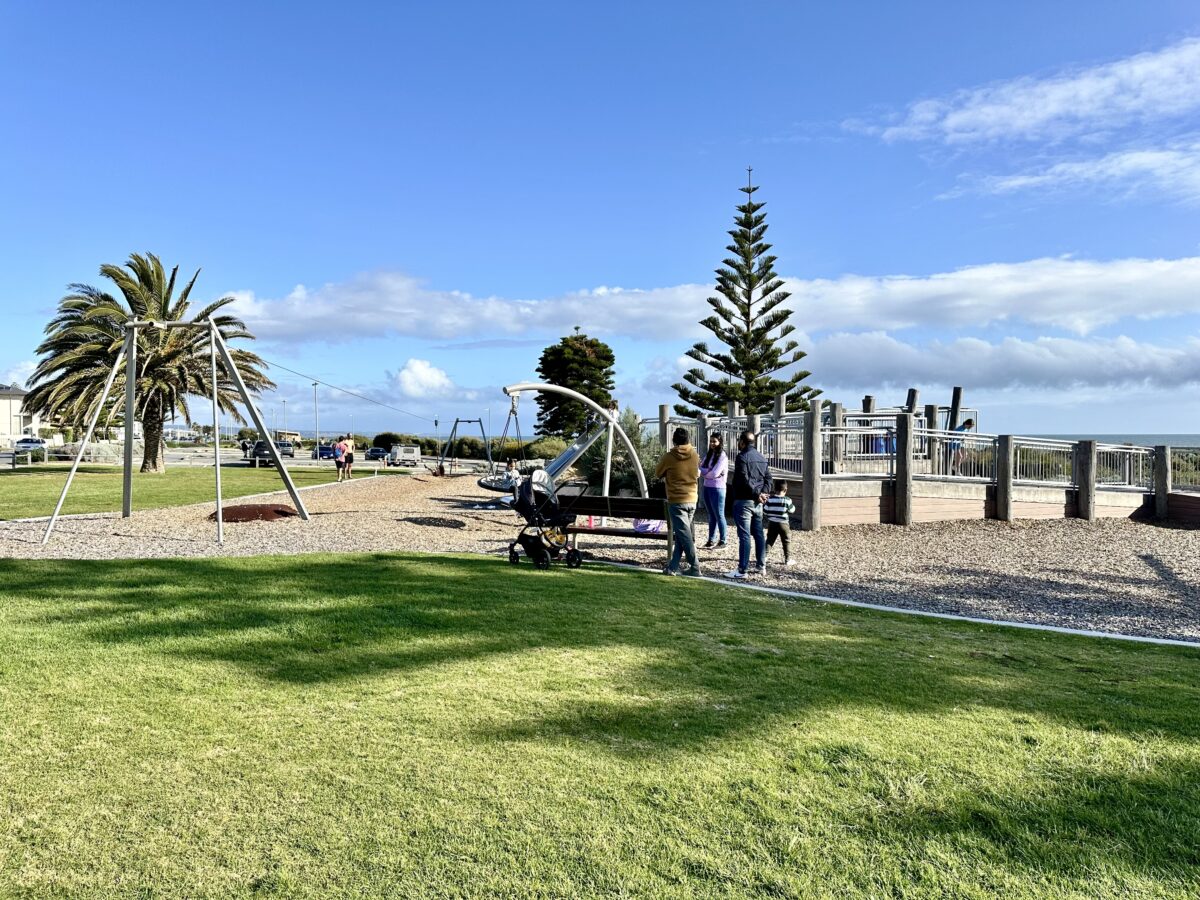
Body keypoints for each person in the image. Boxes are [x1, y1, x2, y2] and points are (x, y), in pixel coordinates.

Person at [654, 427, 701, 577]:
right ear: (688, 440)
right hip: (692, 499)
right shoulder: (695, 455)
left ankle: (695, 567)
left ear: (674, 440)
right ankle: (673, 567)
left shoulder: (669, 457)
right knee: (683, 534)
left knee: (683, 535)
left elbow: (657, 473)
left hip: (676, 500)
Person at [726, 430, 772, 579]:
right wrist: (763, 494)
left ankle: (742, 570)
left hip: (744, 500)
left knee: (745, 535)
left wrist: (757, 494)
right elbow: (768, 479)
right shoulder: (761, 457)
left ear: (742, 442)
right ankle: (761, 565)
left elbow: (744, 480)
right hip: (758, 502)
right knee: (758, 534)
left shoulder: (742, 457)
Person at [698, 434, 728, 549]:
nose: (711, 444)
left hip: (718, 489)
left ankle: (723, 540)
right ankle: (711, 540)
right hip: (707, 487)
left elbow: (715, 473)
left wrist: (705, 473)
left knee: (719, 514)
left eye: (714, 441)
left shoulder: (723, 457)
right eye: (710, 441)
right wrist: (707, 473)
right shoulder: (709, 455)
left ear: (720, 442)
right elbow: (700, 468)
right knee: (711, 515)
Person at [764, 480, 795, 567]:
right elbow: (792, 510)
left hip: (772, 523)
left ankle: (764, 556)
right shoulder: (787, 500)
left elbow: (765, 511)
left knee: (770, 540)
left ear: (775, 489)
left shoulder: (770, 499)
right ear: (785, 490)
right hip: (784, 524)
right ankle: (787, 559)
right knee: (786, 541)